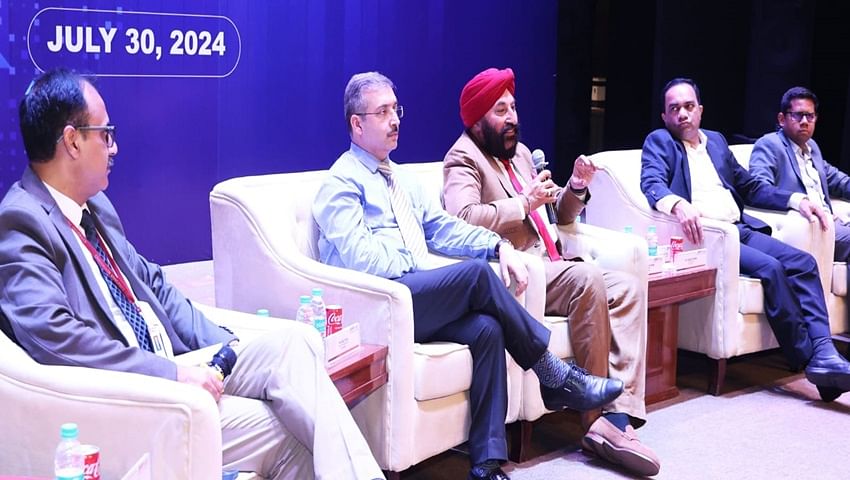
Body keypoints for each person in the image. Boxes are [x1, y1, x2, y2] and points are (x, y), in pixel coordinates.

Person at [0, 68, 385, 480]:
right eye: (105, 133)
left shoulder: (97, 209)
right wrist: (174, 375)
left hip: (174, 363)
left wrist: (229, 351)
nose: (114, 147)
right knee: (289, 432)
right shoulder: (23, 221)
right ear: (72, 140)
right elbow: (56, 337)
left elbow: (156, 288)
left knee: (293, 344)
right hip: (132, 395)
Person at [312, 71, 624, 480]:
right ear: (357, 123)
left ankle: (486, 463)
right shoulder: (341, 183)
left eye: (396, 110)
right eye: (383, 112)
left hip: (415, 295)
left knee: (487, 329)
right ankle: (552, 373)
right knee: (476, 277)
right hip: (380, 302)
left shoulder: (402, 179)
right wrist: (420, 261)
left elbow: (443, 227)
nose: (395, 120)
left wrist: (498, 246)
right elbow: (358, 258)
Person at [442, 67, 659, 477]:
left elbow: (557, 213)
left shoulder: (519, 154)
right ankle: (593, 420)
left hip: (554, 261)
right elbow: (462, 219)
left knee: (627, 286)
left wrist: (575, 187)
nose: (512, 118)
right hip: (523, 270)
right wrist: (523, 203)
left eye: (513, 107)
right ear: (476, 120)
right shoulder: (462, 159)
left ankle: (619, 414)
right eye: (501, 110)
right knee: (588, 278)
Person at [640, 77, 850, 403]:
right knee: (771, 268)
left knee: (802, 262)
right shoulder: (660, 141)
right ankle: (810, 359)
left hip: (740, 227)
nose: (682, 114)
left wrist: (796, 201)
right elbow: (651, 182)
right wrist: (679, 205)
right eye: (674, 109)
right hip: (709, 237)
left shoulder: (717, 142)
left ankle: (824, 350)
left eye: (689, 106)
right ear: (665, 116)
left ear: (700, 110)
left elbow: (751, 186)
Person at [749, 86, 850, 268]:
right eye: (798, 115)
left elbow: (839, 180)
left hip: (833, 223)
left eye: (810, 116)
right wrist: (796, 201)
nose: (804, 121)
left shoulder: (812, 148)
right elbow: (758, 188)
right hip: (811, 226)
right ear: (782, 119)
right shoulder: (769, 144)